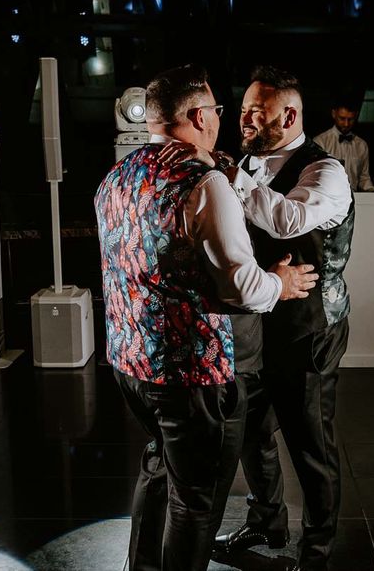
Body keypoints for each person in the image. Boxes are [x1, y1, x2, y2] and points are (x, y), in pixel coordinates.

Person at [94, 64, 318, 571]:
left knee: (158, 471)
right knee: (194, 502)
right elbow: (238, 285)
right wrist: (279, 283)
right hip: (190, 373)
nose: (221, 118)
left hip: (131, 364)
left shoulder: (115, 178)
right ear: (198, 115)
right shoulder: (205, 183)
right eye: (216, 110)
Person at [160, 65, 355, 571]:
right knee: (250, 431)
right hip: (255, 324)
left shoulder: (325, 170)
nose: (243, 119)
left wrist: (223, 175)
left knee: (310, 443)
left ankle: (315, 553)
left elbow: (287, 219)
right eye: (242, 110)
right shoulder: (240, 163)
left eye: (256, 111)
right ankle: (267, 520)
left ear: (289, 114)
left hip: (310, 328)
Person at [313, 102, 374, 192]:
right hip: (328, 198)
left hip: (355, 198)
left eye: (350, 119)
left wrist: (373, 193)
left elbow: (364, 178)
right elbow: (316, 176)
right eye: (342, 118)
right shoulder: (320, 142)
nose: (346, 124)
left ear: (356, 116)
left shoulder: (361, 145)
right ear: (334, 114)